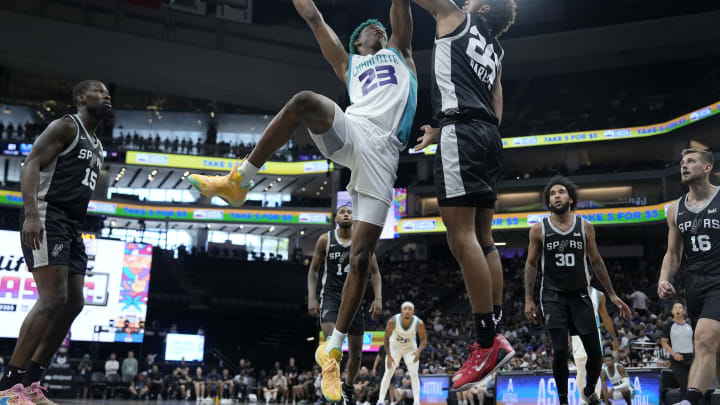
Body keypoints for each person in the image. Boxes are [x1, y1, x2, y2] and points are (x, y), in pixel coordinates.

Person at [186, 0, 416, 399]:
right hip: (352, 128)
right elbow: (313, 17)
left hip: (384, 150)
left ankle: (332, 351)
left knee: (361, 258)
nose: (377, 29)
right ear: (357, 42)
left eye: (382, 28)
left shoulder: (401, 53)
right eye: (369, 29)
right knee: (304, 99)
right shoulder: (349, 65)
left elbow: (400, 9)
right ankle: (240, 181)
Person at [410, 0, 517, 391]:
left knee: (461, 237)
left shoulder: (455, 15)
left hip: (464, 135)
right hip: (488, 135)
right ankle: (496, 332)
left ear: (483, 6)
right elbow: (496, 104)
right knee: (483, 237)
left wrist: (454, 125)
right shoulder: (496, 51)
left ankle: (485, 343)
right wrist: (450, 124)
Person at [0, 80, 109, 404]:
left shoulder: (98, 144)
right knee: (51, 299)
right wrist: (31, 213)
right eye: (99, 91)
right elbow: (31, 162)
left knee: (74, 302)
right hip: (49, 215)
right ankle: (10, 386)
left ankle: (32, 383)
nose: (106, 96)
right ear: (80, 98)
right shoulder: (66, 125)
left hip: (72, 225)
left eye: (108, 93)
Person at [524, 176, 630, 405]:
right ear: (548, 201)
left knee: (596, 354)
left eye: (561, 192)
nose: (556, 196)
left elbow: (597, 262)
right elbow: (531, 264)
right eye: (552, 194)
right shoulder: (538, 230)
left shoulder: (585, 227)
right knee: (561, 351)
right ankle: (563, 400)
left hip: (580, 294)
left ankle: (590, 390)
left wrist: (611, 293)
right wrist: (528, 298)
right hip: (552, 295)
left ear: (571, 198)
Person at [658, 149, 720, 405]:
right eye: (682, 162)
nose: (684, 166)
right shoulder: (674, 209)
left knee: (704, 338)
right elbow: (673, 253)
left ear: (707, 168)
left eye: (691, 161)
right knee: (714, 353)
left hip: (719, 278)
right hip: (694, 283)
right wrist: (664, 278)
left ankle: (691, 400)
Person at [307, 205, 383, 405]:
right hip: (331, 296)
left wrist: (378, 298)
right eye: (342, 212)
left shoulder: (362, 240)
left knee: (356, 356)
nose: (347, 214)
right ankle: (333, 381)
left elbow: (375, 272)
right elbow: (314, 270)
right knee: (333, 343)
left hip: (354, 299)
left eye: (350, 212)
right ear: (336, 219)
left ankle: (348, 386)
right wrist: (312, 298)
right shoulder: (325, 240)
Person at [572, 285, 620, 400]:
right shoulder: (571, 291)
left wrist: (614, 338)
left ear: (590, 275)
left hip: (594, 332)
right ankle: (584, 401)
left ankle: (595, 399)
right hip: (577, 333)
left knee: (595, 368)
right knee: (581, 369)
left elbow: (606, 318)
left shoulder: (599, 295)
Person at [378, 302, 427, 405]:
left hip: (410, 349)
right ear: (401, 310)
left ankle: (417, 401)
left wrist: (418, 352)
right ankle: (381, 400)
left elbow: (423, 340)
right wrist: (389, 355)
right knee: (388, 373)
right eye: (405, 309)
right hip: (394, 348)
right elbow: (386, 338)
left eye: (410, 309)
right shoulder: (393, 321)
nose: (407, 311)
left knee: (414, 374)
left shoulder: (419, 323)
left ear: (413, 311)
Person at [661, 301, 694, 394]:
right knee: (684, 386)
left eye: (680, 307)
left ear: (684, 311)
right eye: (675, 308)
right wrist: (674, 354)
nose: (678, 309)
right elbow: (664, 343)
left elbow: (693, 341)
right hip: (677, 359)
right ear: (672, 311)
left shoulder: (689, 325)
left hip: (691, 358)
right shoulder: (669, 325)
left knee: (693, 386)